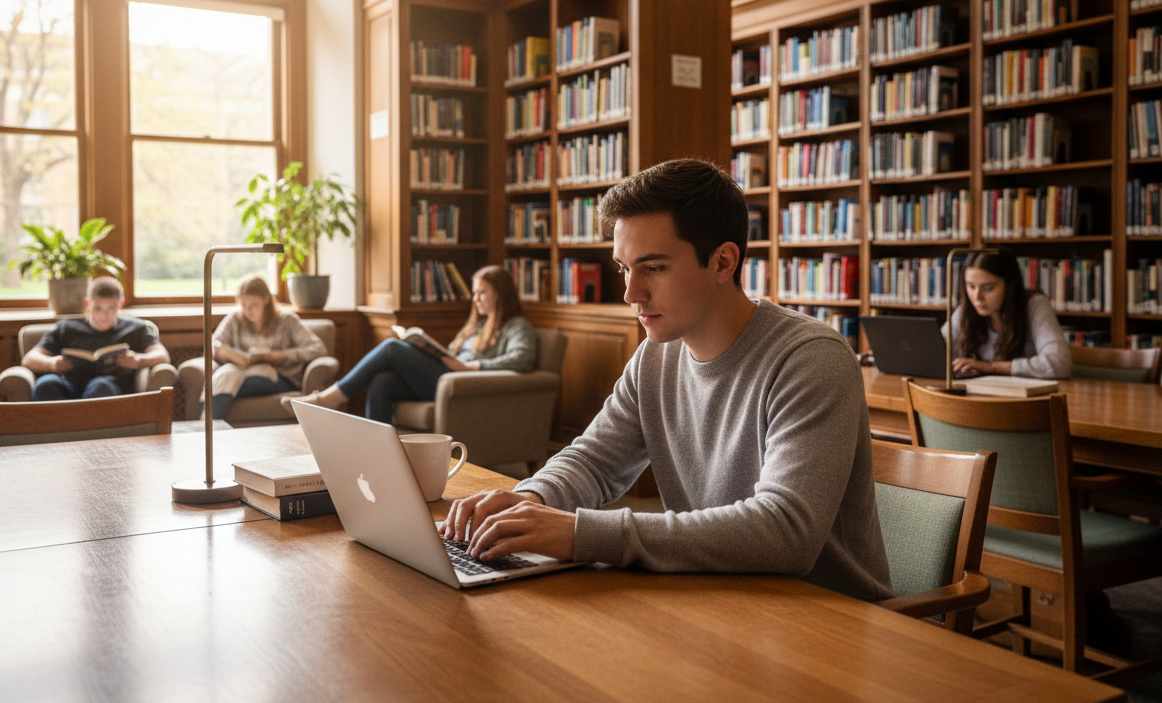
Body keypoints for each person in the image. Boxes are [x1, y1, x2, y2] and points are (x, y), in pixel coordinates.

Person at [441, 158, 893, 602]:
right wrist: (530, 501)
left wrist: (581, 533)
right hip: (718, 598)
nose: (630, 293)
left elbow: (786, 531)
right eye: (624, 267)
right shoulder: (655, 357)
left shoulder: (810, 359)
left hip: (828, 622)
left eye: (653, 268)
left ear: (722, 262)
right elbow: (594, 461)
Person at [283, 265, 538, 424]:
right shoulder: (477, 326)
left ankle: (330, 398)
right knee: (382, 381)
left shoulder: (516, 326)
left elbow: (522, 358)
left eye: (482, 292)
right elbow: (453, 355)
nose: (476, 299)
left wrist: (471, 367)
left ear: (500, 294)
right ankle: (378, 453)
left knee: (392, 348)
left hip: (463, 384)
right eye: (474, 292)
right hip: (447, 379)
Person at [24, 276, 172, 400]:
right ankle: (59, 433)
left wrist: (138, 360)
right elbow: (29, 359)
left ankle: (87, 433)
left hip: (111, 387)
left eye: (111, 308)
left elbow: (162, 356)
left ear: (120, 304)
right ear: (88, 303)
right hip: (69, 385)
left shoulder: (136, 328)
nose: (104, 315)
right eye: (98, 308)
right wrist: (51, 364)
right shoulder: (66, 327)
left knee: (100, 386)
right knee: (45, 384)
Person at [208, 274, 328, 419]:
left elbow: (318, 349)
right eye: (244, 305)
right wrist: (221, 353)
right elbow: (212, 345)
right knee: (228, 374)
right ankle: (208, 426)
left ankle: (206, 425)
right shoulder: (235, 319)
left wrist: (281, 356)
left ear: (266, 300)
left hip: (279, 377)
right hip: (241, 370)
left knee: (226, 379)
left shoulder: (287, 321)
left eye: (254, 305)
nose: (248, 310)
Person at [941, 249, 1071, 380]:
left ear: (1009, 286)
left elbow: (1060, 363)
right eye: (971, 286)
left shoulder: (1034, 306)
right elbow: (936, 349)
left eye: (988, 288)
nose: (977, 297)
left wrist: (991, 367)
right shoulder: (967, 310)